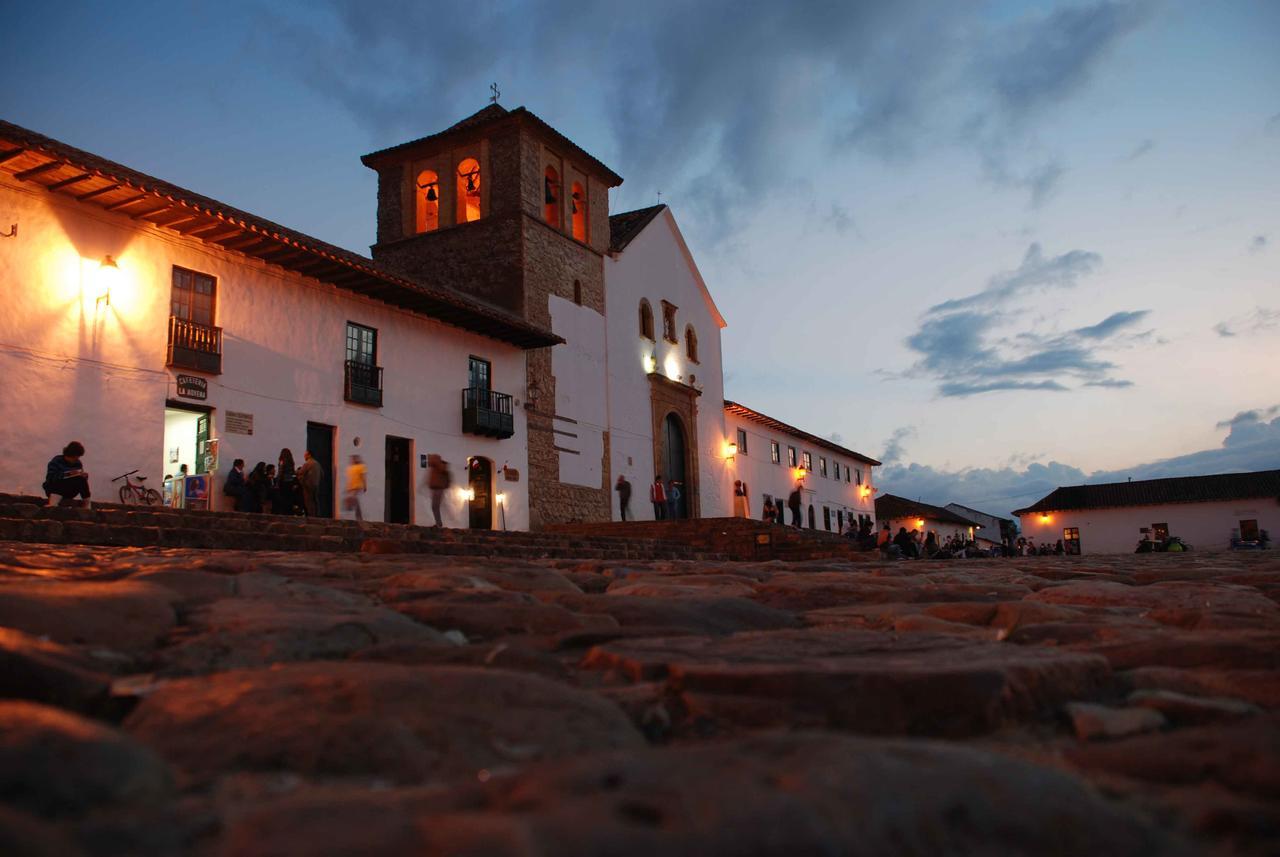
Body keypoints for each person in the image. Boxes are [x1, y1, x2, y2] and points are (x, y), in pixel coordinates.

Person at [44, 441, 91, 507]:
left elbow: (80, 480)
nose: (76, 459)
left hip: (69, 491)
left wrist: (83, 476)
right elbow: (51, 478)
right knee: (59, 481)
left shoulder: (78, 463)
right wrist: (69, 474)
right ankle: (53, 504)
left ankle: (87, 504)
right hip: (54, 489)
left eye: (78, 457)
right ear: (69, 454)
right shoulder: (57, 461)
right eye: (74, 457)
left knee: (81, 480)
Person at [425, 454, 451, 527]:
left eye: (431, 459)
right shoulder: (434, 468)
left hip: (438, 488)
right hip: (435, 488)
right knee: (435, 506)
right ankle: (438, 522)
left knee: (435, 506)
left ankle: (439, 523)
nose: (429, 461)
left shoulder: (440, 466)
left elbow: (442, 472)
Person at [296, 450, 323, 517]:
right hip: (316, 485)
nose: (304, 456)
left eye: (305, 455)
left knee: (309, 501)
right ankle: (317, 515)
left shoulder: (308, 463)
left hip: (308, 485)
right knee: (315, 501)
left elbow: (300, 472)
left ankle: (311, 516)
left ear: (309, 455)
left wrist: (296, 471)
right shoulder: (317, 463)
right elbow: (322, 474)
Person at [275, 448, 300, 515]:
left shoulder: (282, 461)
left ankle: (284, 512)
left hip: (284, 482)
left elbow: (280, 472)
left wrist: (277, 483)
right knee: (289, 498)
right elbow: (293, 473)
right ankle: (290, 512)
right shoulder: (291, 462)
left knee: (283, 498)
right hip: (291, 481)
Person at [344, 454, 367, 522]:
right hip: (352, 486)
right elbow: (350, 478)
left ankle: (358, 515)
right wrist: (348, 487)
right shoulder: (350, 468)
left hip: (358, 486)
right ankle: (358, 515)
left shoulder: (361, 467)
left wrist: (365, 485)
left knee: (354, 499)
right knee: (355, 500)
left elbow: (363, 477)